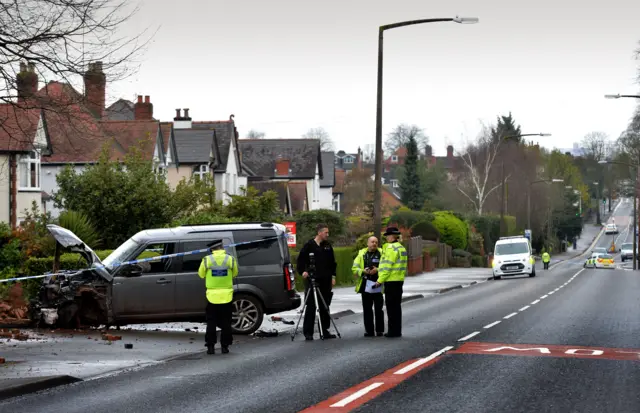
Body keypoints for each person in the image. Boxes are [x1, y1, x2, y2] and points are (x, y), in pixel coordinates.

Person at [297, 223, 337, 341]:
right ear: (319, 232)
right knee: (311, 306)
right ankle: (308, 332)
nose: (327, 235)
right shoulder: (309, 245)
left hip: (325, 280)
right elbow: (301, 260)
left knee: (325, 305)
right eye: (326, 232)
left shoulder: (327, 246)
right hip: (312, 280)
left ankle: (324, 330)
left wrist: (333, 276)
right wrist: (303, 271)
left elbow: (332, 263)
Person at [198, 239, 238, 355]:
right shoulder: (230, 259)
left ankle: (210, 347)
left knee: (211, 322)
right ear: (222, 247)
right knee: (226, 322)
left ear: (212, 249)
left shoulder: (207, 260)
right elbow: (235, 273)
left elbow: (201, 274)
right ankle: (225, 347)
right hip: (227, 296)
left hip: (212, 296)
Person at [374, 227, 407, 338]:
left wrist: (379, 280)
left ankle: (392, 331)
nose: (386, 238)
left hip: (391, 281)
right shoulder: (401, 248)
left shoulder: (391, 248)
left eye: (387, 236)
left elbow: (387, 266)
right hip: (399, 280)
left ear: (392, 236)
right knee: (397, 307)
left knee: (391, 307)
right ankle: (397, 330)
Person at [352, 236, 384, 337]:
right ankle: (369, 331)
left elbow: (387, 268)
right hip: (365, 285)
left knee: (379, 309)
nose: (374, 243)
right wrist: (363, 271)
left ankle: (379, 330)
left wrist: (377, 270)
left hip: (378, 284)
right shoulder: (362, 254)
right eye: (372, 242)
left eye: (376, 242)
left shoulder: (382, 253)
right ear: (367, 243)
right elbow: (354, 268)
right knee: (367, 309)